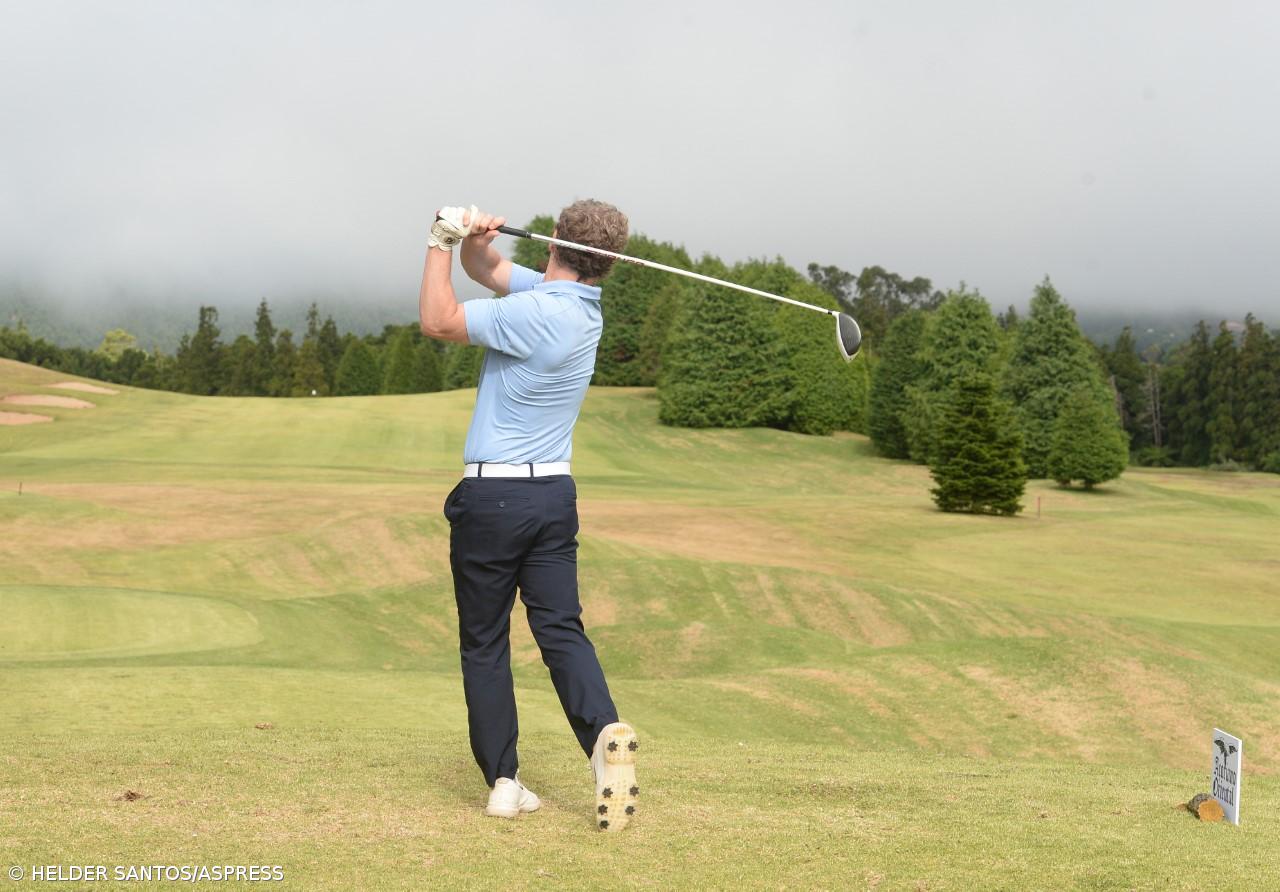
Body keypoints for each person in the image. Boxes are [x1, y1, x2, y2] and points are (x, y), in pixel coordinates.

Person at [418, 200, 640, 832]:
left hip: (493, 500)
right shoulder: (579, 307)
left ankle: (504, 782)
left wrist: (438, 240)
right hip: (552, 498)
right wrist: (473, 240)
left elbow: (438, 320)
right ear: (609, 263)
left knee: (486, 643)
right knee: (560, 630)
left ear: (553, 243)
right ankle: (603, 737)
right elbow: (489, 271)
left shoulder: (536, 310)